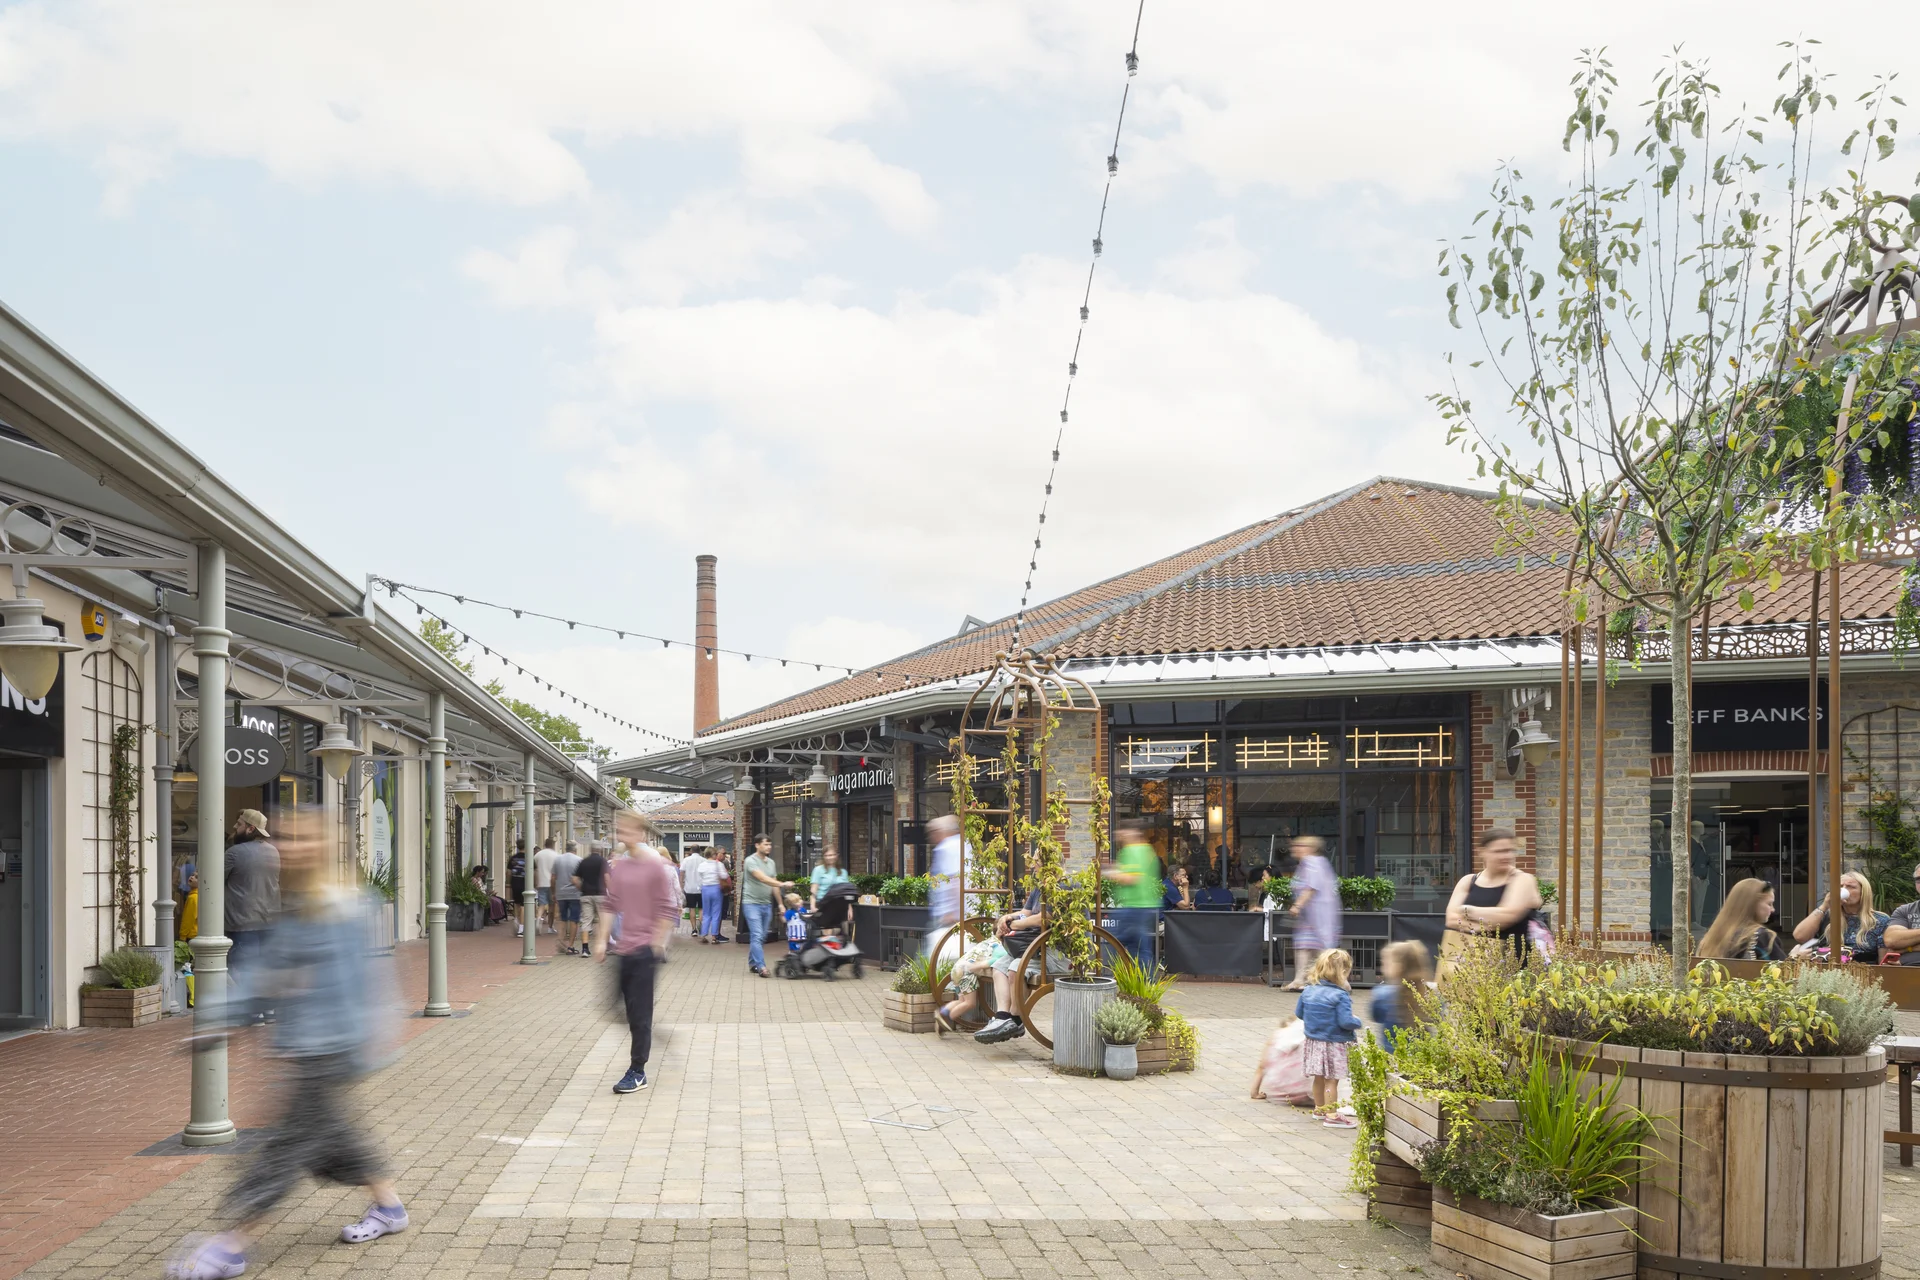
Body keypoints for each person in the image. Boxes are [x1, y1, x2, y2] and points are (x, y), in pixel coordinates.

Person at [165, 812, 405, 1280]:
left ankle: (231, 1244)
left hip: (333, 1048)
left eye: (305, 840)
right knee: (333, 1135)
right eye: (289, 838)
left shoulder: (345, 907)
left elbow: (367, 985)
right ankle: (390, 1207)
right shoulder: (296, 907)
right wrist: (221, 1022)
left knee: (284, 1146)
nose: (292, 847)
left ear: (326, 848)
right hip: (306, 1046)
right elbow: (269, 974)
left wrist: (368, 1044)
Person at [593, 816, 682, 1095]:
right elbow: (610, 904)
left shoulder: (656, 866)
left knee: (640, 1013)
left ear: (641, 833)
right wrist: (600, 940)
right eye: (620, 831)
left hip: (645, 949)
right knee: (611, 1007)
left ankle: (638, 1070)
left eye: (628, 830)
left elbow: (669, 907)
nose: (623, 835)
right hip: (623, 946)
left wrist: (658, 944)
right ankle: (648, 1033)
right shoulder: (621, 867)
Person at [1443, 828, 1543, 959]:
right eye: (1499, 851)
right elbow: (1451, 919)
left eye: (1510, 851)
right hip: (1471, 964)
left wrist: (1466, 911)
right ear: (1482, 852)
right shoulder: (1468, 881)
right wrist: (1491, 921)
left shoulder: (1523, 880)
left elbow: (1507, 916)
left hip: (1513, 965)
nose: (1506, 856)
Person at [1296, 948, 1363, 1126]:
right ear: (1344, 972)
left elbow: (1300, 1013)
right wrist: (1358, 1022)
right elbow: (1346, 1022)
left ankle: (1319, 1109)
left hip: (1314, 1042)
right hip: (1335, 1043)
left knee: (1318, 1078)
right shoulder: (1341, 996)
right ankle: (1332, 1116)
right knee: (1331, 1080)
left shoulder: (1308, 991)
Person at [975, 888, 1047, 1044]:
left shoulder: (1062, 887)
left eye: (1036, 862)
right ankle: (1002, 1017)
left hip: (1052, 951)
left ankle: (1016, 1020)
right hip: (1035, 947)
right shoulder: (1038, 888)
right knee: (1000, 966)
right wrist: (1007, 917)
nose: (1033, 865)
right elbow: (1026, 912)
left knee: (1015, 967)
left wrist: (1015, 924)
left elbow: (1045, 917)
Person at [226, 809, 281, 1011]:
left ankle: (253, 1011)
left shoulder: (234, 853)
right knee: (263, 968)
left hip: (242, 921)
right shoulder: (273, 851)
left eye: (239, 824)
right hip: (269, 920)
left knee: (242, 968)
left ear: (250, 828)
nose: (234, 827)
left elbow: (212, 882)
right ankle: (267, 1009)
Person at [1285, 836, 1340, 989]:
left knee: (1322, 948)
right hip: (1311, 915)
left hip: (1317, 915)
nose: (1295, 848)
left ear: (1311, 848)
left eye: (1300, 845)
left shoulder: (1311, 862)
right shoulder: (1314, 863)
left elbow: (1311, 886)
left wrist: (1297, 905)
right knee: (1305, 946)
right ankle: (1299, 979)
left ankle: (1340, 981)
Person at [1792, 869, 1889, 956]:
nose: (1844, 889)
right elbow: (1800, 936)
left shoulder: (1880, 920)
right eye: (1840, 886)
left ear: (1863, 892)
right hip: (1830, 971)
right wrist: (1824, 906)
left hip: (1863, 971)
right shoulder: (1827, 916)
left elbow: (1883, 961)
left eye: (1851, 886)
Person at [1107, 824, 1162, 966]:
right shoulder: (1148, 850)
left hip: (1133, 907)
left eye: (1122, 832)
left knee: (1114, 942)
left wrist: (1109, 872)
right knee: (1138, 946)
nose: (1119, 836)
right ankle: (1142, 982)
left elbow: (1131, 878)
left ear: (1131, 832)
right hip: (1146, 905)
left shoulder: (1131, 850)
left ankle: (1118, 977)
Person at [1700, 877, 1790, 962]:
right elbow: (1783, 974)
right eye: (1769, 904)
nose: (1773, 909)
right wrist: (1793, 958)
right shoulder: (1764, 937)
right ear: (1753, 904)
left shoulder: (1711, 939)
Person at [741, 834, 791, 977]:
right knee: (757, 935)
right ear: (757, 845)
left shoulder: (771, 863)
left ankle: (753, 963)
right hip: (751, 903)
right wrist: (783, 884)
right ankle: (762, 967)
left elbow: (773, 885)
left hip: (766, 904)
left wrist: (781, 904)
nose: (769, 847)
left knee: (761, 936)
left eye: (770, 844)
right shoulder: (750, 861)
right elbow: (762, 878)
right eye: (765, 844)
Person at [1369, 940, 1431, 1050]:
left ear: (1399, 966)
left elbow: (1376, 1016)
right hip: (1423, 1056)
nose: (1382, 968)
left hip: (1392, 1055)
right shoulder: (1430, 995)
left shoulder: (1382, 994)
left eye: (1385, 963)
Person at [926, 815, 965, 953]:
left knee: (936, 956)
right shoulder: (963, 844)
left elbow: (955, 879)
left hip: (950, 916)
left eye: (933, 831)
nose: (932, 836)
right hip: (956, 915)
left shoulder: (947, 847)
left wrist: (950, 913)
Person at [574, 841, 609, 960]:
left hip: (586, 895)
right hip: (600, 894)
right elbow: (607, 878)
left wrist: (582, 887)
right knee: (602, 921)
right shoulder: (603, 861)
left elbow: (574, 878)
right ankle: (602, 947)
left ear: (590, 849)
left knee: (586, 921)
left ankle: (585, 949)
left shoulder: (584, 861)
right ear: (600, 850)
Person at [1879, 868, 1920, 961]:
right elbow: (1892, 939)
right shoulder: (1904, 910)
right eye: (1919, 879)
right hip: (1906, 970)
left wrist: (1907, 948)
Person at [552, 841, 583, 955]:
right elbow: (581, 878)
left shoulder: (558, 860)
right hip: (575, 894)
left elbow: (553, 877)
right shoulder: (579, 860)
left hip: (561, 893)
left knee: (562, 918)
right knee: (574, 920)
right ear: (575, 849)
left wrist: (553, 892)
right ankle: (570, 946)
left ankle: (560, 942)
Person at [697, 847, 729, 943]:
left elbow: (699, 878)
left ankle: (703, 934)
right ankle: (714, 936)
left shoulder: (701, 865)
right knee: (716, 913)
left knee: (706, 912)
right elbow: (724, 876)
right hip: (716, 889)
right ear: (714, 855)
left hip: (705, 889)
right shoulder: (718, 864)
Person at [532, 836, 559, 936]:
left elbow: (534, 868)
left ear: (545, 844)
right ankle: (550, 927)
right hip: (552, 884)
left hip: (541, 882)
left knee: (541, 904)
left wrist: (535, 881)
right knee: (552, 905)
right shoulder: (556, 855)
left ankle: (538, 919)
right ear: (553, 845)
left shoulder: (538, 855)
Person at [809, 846, 850, 910]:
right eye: (826, 855)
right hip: (823, 905)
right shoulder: (818, 870)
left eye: (831, 855)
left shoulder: (843, 872)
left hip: (840, 906)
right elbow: (813, 891)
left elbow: (847, 892)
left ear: (836, 856)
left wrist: (849, 908)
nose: (829, 858)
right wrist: (813, 906)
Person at [678, 845, 706, 935]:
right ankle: (701, 926)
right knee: (701, 909)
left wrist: (681, 886)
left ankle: (694, 929)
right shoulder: (704, 860)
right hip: (702, 888)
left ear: (691, 851)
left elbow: (681, 873)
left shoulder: (686, 860)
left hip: (689, 888)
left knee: (692, 909)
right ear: (700, 851)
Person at [507, 841, 527, 938]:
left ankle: (516, 921)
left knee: (516, 903)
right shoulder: (529, 857)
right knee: (523, 905)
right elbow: (534, 871)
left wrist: (509, 883)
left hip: (515, 882)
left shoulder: (513, 858)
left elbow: (509, 872)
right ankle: (521, 928)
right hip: (524, 883)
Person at [179, 871, 201, 943]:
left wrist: (182, 935)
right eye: (192, 875)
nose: (192, 877)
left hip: (191, 935)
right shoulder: (198, 896)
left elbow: (188, 918)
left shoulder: (193, 897)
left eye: (196, 877)